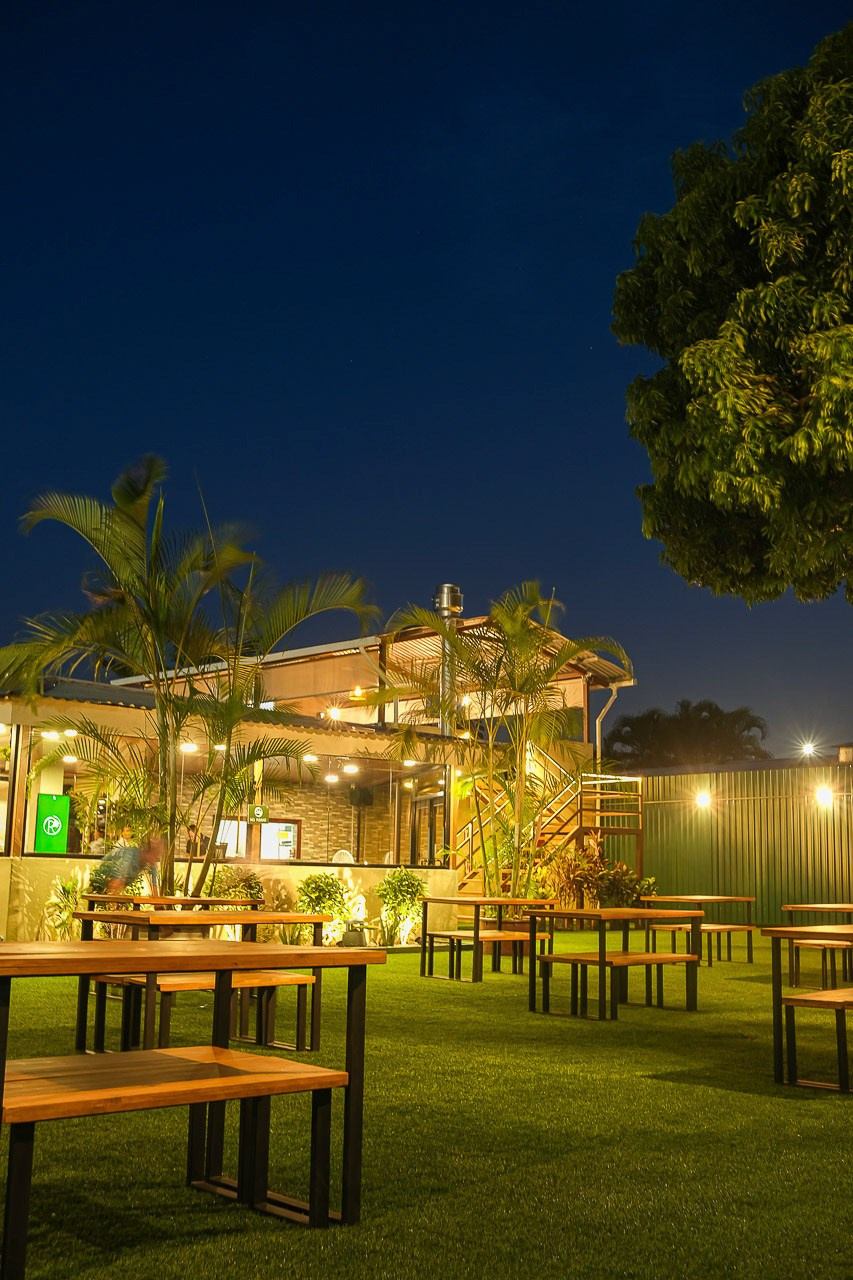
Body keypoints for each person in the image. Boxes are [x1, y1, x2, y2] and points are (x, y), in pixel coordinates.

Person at [96, 833, 163, 894]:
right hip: (99, 877)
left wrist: (157, 902)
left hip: (113, 885)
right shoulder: (130, 854)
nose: (157, 858)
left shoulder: (148, 861)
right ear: (147, 851)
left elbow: (154, 881)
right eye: (155, 854)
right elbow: (116, 878)